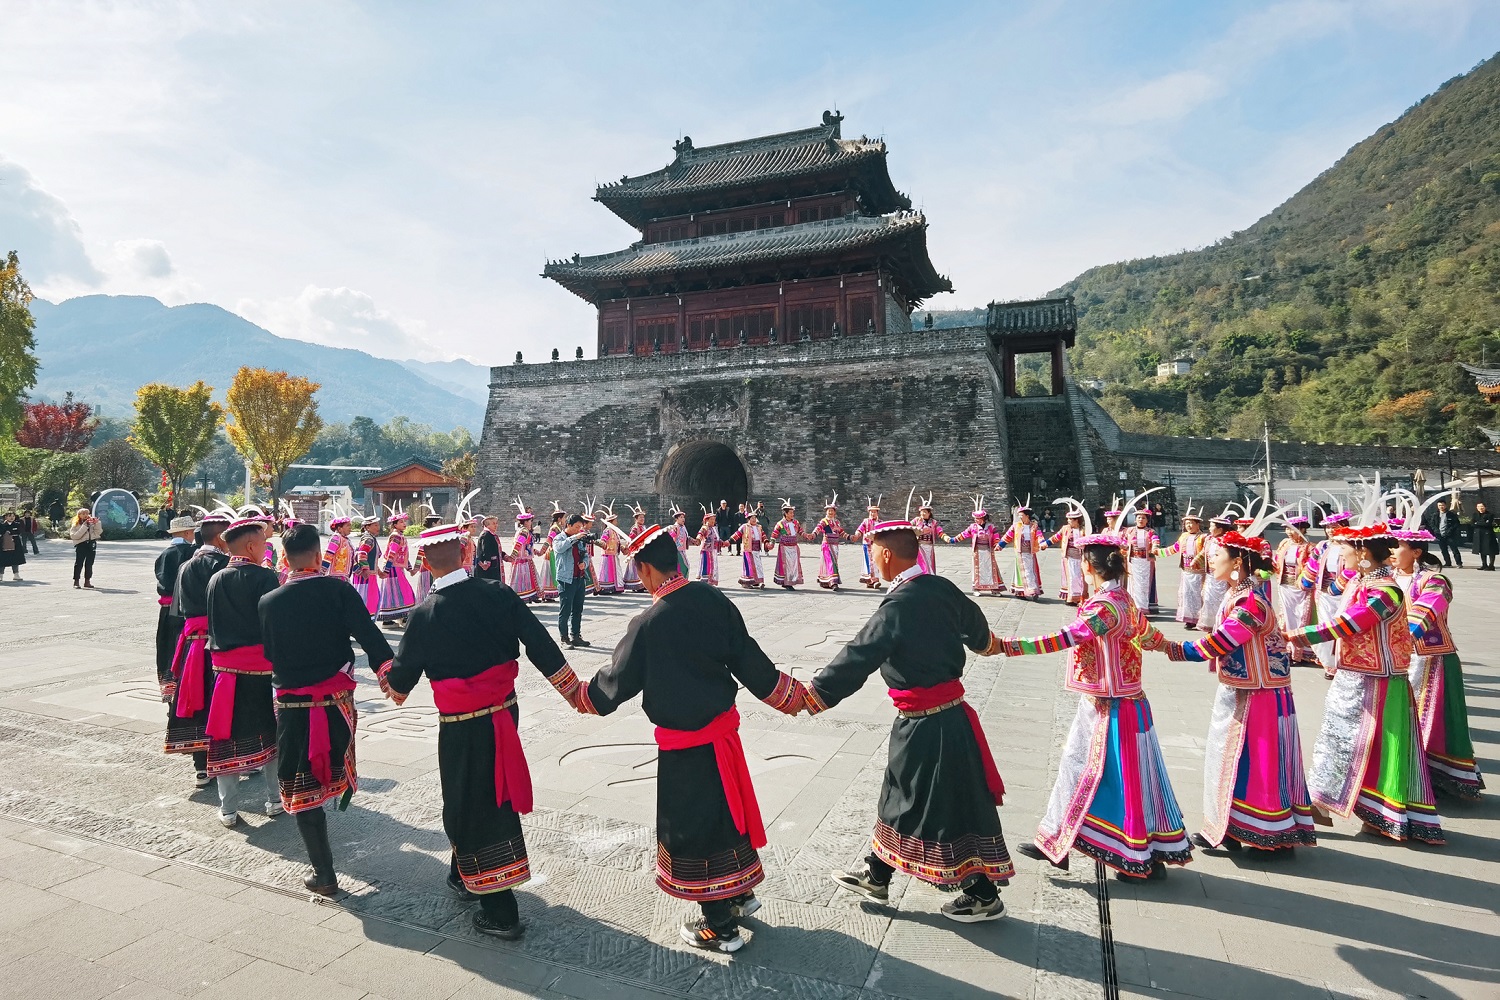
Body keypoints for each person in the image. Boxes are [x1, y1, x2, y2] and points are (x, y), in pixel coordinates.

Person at [576, 527, 808, 952]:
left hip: (686, 746)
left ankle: (719, 926)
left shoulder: (648, 622)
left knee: (694, 828)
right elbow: (749, 659)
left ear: (645, 569)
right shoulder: (713, 599)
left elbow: (614, 684)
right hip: (722, 734)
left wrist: (581, 695)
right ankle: (740, 893)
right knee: (727, 813)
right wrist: (793, 696)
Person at [381, 520, 584, 938]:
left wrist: (384, 668)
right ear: (467, 553)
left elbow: (400, 685)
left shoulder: (423, 615)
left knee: (469, 801)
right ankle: (464, 874)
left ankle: (500, 909)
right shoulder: (499, 594)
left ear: (423, 561)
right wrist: (574, 691)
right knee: (495, 791)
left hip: (459, 725)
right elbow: (540, 644)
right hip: (503, 714)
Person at [805, 520, 1014, 922]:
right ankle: (878, 873)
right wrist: (992, 645)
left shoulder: (898, 606)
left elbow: (858, 655)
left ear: (885, 554)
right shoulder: (942, 588)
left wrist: (814, 695)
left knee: (931, 803)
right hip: (947, 717)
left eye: (874, 552)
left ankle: (983, 895)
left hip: (925, 723)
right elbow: (980, 634)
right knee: (911, 797)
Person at [1002, 533, 1193, 880]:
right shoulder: (1127, 601)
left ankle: (1130, 854)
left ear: (1088, 566)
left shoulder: (1104, 607)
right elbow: (1151, 638)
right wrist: (1176, 649)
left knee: (1095, 773)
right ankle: (1066, 840)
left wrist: (1007, 646)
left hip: (1110, 708)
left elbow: (1066, 637)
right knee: (1125, 777)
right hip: (1127, 703)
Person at [1158, 529, 1316, 855]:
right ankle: (1230, 826)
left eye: (1218, 555)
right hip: (1242, 688)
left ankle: (1266, 833)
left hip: (1261, 694)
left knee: (1257, 762)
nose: (1212, 559)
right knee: (1227, 757)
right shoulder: (1236, 594)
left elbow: (1221, 642)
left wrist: (1170, 648)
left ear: (1238, 563)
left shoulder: (1250, 603)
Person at [1285, 522, 1443, 844]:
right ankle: (1322, 801)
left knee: (1371, 746)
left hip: (1381, 681)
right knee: (1337, 739)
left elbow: (1350, 624)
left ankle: (1378, 811)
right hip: (1355, 674)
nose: (1340, 556)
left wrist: (1295, 636)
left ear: (1362, 552)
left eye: (1344, 549)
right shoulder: (1361, 583)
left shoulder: (1386, 591)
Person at [259, 523, 395, 896]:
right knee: (329, 769)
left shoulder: (269, 602)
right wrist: (389, 675)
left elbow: (269, 654)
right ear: (320, 556)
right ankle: (330, 800)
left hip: (291, 705)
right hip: (336, 704)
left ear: (284, 559)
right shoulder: (339, 589)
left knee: (301, 784)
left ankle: (324, 873)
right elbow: (370, 636)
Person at [1393, 528, 1483, 800]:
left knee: (1433, 719)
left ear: (1416, 552)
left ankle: (1433, 775)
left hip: (1433, 660)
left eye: (1397, 547)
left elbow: (1425, 612)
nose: (1391, 553)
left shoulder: (1435, 581)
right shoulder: (1387, 580)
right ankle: (1410, 772)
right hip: (1398, 658)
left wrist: (1400, 638)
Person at [204, 517, 282, 827]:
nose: (266, 548)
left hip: (225, 674)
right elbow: (273, 626)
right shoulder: (265, 578)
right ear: (250, 546)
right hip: (262, 672)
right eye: (263, 543)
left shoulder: (216, 579)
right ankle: (275, 800)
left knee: (227, 738)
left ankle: (228, 809)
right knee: (272, 737)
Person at [165, 511, 232, 786]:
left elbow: (178, 610)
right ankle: (227, 759)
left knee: (196, 700)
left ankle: (201, 766)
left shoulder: (187, 565)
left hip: (192, 642)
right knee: (221, 700)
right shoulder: (225, 565)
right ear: (219, 537)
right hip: (219, 642)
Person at [154, 515, 199, 777]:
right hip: (183, 613)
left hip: (165, 612)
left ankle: (171, 697)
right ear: (187, 532)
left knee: (168, 654)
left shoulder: (164, 554)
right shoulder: (189, 553)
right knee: (185, 657)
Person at [1298, 511, 1354, 677]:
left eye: (1334, 526)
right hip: (1323, 595)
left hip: (1344, 594)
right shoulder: (1323, 546)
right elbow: (1313, 565)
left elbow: (1353, 568)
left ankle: (1343, 662)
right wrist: (1306, 580)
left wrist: (1338, 585)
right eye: (1328, 527)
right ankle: (1330, 665)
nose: (1330, 530)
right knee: (1325, 627)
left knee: (1343, 628)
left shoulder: (1351, 544)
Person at [552, 513, 601, 648]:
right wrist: (574, 537)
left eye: (580, 527)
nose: (579, 529)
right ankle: (564, 638)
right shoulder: (558, 538)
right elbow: (559, 548)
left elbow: (585, 555)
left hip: (579, 578)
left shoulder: (580, 539)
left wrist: (584, 564)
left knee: (578, 609)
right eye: (577, 527)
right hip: (566, 579)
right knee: (565, 610)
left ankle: (576, 635)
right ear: (568, 525)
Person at [1273, 516, 1317, 663]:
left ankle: (1300, 652)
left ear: (1303, 529)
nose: (1289, 532)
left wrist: (1304, 580)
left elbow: (1312, 567)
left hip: (1301, 589)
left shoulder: (1310, 547)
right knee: (1286, 617)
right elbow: (1276, 562)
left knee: (1301, 618)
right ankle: (1286, 649)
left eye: (1293, 529)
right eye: (1287, 529)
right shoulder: (1284, 544)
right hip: (1285, 586)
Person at [944, 498, 1003, 597]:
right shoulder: (973, 527)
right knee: (977, 570)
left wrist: (997, 544)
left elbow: (996, 537)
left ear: (983, 518)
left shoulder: (991, 527)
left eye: (978, 518)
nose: (976, 520)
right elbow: (964, 534)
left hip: (988, 551)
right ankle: (977, 588)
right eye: (975, 518)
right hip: (977, 551)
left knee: (991, 570)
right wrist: (953, 540)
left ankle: (994, 589)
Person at [1159, 510, 1206, 628]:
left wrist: (1197, 561)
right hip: (1186, 572)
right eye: (1186, 523)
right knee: (1186, 595)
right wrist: (1158, 552)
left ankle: (1200, 618)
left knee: (1199, 595)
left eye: (1191, 523)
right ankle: (1189, 620)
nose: (1189, 526)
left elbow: (1205, 552)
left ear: (1197, 524)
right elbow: (1174, 548)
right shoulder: (1183, 536)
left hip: (1199, 573)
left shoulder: (1203, 538)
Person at [998, 504, 1047, 599]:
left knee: (1030, 571)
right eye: (1019, 515)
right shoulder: (1016, 526)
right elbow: (1008, 536)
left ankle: (1032, 590)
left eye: (1021, 515)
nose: (1020, 517)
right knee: (1020, 572)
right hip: (1020, 553)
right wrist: (1000, 545)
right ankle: (1020, 591)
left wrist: (1042, 544)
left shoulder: (1034, 526)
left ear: (1027, 516)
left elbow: (1039, 536)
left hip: (1030, 552)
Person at [1199, 512, 1234, 626]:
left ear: (1219, 529)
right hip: (1210, 575)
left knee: (1223, 599)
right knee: (1208, 598)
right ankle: (1210, 624)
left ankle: (1222, 623)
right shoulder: (1208, 539)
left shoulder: (1228, 542)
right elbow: (1203, 552)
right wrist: (1196, 560)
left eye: (1211, 526)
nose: (1209, 528)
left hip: (1223, 576)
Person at [1121, 509, 1159, 613]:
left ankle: (1143, 608)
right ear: (1135, 520)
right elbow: (1123, 542)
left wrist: (1155, 548)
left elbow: (1155, 541)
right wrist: (1122, 547)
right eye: (1139, 518)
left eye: (1143, 518)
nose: (1141, 520)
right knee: (1133, 585)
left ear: (1147, 520)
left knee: (1144, 585)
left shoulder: (1151, 532)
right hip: (1133, 561)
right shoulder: (1129, 531)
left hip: (1146, 561)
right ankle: (1134, 608)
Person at [349, 518, 383, 614]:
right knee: (367, 600)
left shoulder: (371, 538)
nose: (378, 527)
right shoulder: (368, 539)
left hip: (369, 575)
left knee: (371, 600)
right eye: (375, 525)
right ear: (367, 527)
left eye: (378, 525)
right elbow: (362, 554)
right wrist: (365, 569)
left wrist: (379, 572)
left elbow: (372, 559)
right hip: (366, 576)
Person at [769, 501, 806, 590]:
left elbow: (800, 531)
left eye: (793, 512)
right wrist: (771, 543)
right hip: (784, 547)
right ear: (785, 514)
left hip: (794, 546)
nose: (792, 514)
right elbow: (774, 534)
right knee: (786, 565)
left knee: (793, 565)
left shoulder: (796, 523)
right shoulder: (780, 524)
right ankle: (786, 582)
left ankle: (791, 580)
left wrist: (807, 536)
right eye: (790, 513)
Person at [811, 497, 846, 590]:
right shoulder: (824, 521)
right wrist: (813, 534)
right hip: (827, 545)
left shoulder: (837, 522)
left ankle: (826, 580)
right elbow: (818, 528)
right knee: (830, 562)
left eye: (832, 511)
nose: (830, 512)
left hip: (835, 545)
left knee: (832, 563)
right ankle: (833, 582)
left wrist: (850, 537)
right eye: (828, 511)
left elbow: (841, 532)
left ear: (835, 512)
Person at [507, 508, 541, 601]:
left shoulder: (523, 530)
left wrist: (534, 550)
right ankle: (523, 596)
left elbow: (526, 545)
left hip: (524, 558)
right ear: (525, 522)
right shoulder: (524, 531)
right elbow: (519, 543)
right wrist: (513, 556)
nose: (531, 523)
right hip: (522, 559)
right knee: (522, 578)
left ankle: (526, 595)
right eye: (530, 521)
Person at [851, 500, 884, 590]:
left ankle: (870, 581)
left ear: (877, 513)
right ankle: (874, 580)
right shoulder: (866, 521)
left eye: (874, 512)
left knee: (876, 562)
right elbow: (860, 530)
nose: (873, 514)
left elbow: (884, 532)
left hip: (877, 545)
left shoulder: (881, 522)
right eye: (871, 512)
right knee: (870, 562)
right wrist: (856, 535)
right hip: (867, 545)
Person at [730, 511, 767, 588]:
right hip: (748, 549)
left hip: (757, 549)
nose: (754, 519)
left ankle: (757, 581)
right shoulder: (744, 527)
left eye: (755, 518)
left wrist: (767, 542)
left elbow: (763, 536)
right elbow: (737, 534)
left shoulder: (759, 527)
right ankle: (746, 582)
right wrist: (729, 541)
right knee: (748, 566)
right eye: (752, 518)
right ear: (748, 519)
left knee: (758, 565)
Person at [537, 507, 566, 602]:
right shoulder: (554, 528)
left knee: (551, 573)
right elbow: (549, 540)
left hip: (555, 553)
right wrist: (542, 551)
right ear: (559, 519)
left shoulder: (558, 527)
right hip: (551, 553)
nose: (565, 520)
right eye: (564, 518)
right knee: (550, 573)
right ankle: (546, 593)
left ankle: (550, 593)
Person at [70, 507, 103, 588]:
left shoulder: (91, 522)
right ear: (79, 515)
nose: (85, 515)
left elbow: (98, 532)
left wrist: (97, 523)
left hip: (91, 544)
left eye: (87, 513)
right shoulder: (76, 524)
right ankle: (76, 582)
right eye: (83, 514)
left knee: (89, 563)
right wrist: (84, 526)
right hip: (81, 544)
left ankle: (87, 581)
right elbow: (74, 536)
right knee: (79, 563)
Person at [595, 506, 624, 594]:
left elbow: (618, 542)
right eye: (615, 520)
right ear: (611, 522)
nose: (616, 522)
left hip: (613, 554)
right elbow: (603, 539)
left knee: (614, 571)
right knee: (607, 572)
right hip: (608, 554)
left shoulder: (614, 531)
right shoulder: (607, 531)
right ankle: (605, 587)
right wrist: (601, 543)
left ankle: (615, 587)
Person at [691, 506, 722, 587]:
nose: (713, 521)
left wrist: (723, 543)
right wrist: (698, 539)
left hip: (713, 550)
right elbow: (700, 534)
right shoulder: (705, 527)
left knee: (713, 565)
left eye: (714, 519)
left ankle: (711, 581)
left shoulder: (714, 528)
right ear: (707, 520)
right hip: (706, 550)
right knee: (706, 565)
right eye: (711, 519)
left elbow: (717, 538)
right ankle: (704, 581)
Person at [911, 496, 941, 574]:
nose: (922, 513)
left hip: (929, 546)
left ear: (929, 513)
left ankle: (929, 576)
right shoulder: (916, 520)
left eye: (925, 512)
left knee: (929, 562)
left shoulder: (934, 522)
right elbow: (909, 526)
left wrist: (947, 538)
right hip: (920, 545)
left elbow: (939, 531)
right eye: (921, 511)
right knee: (922, 562)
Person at [622, 505, 648, 592]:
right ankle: (635, 585)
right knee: (635, 568)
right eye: (640, 517)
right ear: (636, 519)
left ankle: (642, 584)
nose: (642, 519)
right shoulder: (634, 528)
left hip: (643, 550)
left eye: (643, 517)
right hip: (636, 550)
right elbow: (631, 539)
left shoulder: (644, 527)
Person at [321, 515, 355, 580]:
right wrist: (322, 572)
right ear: (339, 528)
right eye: (348, 525)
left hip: (344, 577)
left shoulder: (346, 540)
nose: (350, 528)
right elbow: (328, 555)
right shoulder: (336, 538)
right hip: (335, 577)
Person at [475, 514, 505, 583]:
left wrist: (504, 556)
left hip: (494, 566)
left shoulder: (491, 535)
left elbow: (495, 550)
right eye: (493, 523)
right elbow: (485, 550)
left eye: (496, 523)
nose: (496, 525)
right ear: (487, 525)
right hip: (490, 570)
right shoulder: (486, 535)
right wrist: (487, 562)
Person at [1433, 500, 1463, 568]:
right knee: (1444, 550)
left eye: (1442, 505)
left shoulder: (1451, 514)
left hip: (1450, 535)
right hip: (1440, 535)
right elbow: (1433, 524)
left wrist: (1449, 531)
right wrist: (1436, 531)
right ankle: (1447, 562)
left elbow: (1456, 524)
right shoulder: (1435, 515)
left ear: (1445, 505)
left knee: (1454, 549)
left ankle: (1459, 563)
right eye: (1439, 505)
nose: (1441, 507)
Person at [666, 507, 693, 578]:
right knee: (684, 566)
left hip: (682, 550)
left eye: (683, 517)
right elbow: (671, 538)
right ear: (676, 519)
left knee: (684, 566)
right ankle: (681, 581)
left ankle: (683, 581)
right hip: (677, 550)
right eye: (681, 517)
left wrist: (693, 540)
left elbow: (686, 537)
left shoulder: (683, 527)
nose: (683, 519)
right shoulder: (675, 527)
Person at [0, 510, 25, 582]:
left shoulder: (17, 524)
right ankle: (1, 575)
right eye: (9, 516)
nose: (12, 518)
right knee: (2, 560)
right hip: (3, 544)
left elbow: (20, 531)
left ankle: (16, 574)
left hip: (15, 544)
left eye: (13, 516)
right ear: (5, 517)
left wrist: (10, 532)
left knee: (15, 560)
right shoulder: (2, 525)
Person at [1471, 501, 1496, 570]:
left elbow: (1488, 524)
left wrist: (1478, 523)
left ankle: (1491, 565)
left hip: (1488, 534)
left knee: (1490, 550)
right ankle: (1484, 564)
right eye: (1478, 507)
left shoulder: (1490, 515)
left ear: (1485, 507)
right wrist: (1482, 522)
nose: (1480, 508)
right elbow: (1472, 524)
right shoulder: (1475, 514)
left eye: (1482, 506)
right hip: (1479, 534)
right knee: (1481, 550)